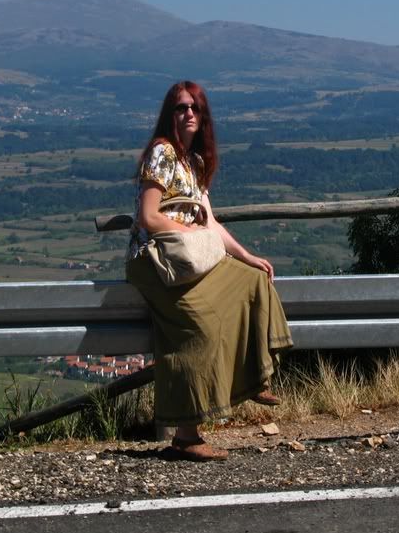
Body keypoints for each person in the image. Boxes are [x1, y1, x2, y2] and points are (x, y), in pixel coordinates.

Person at [125, 81, 293, 461]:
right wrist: (190, 232)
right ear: (170, 114)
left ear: (203, 117)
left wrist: (247, 255)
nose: (188, 113)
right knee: (199, 327)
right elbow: (148, 217)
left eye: (195, 108)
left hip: (188, 257)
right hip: (155, 260)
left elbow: (211, 224)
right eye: (181, 107)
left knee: (253, 280)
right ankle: (186, 436)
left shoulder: (195, 162)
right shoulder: (163, 153)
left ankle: (256, 376)